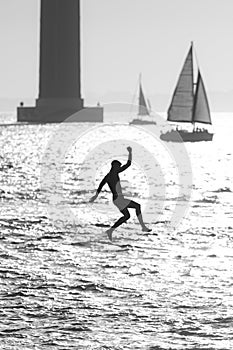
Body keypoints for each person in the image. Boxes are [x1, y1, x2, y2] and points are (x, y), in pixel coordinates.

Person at [89, 146, 151, 241]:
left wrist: (96, 196)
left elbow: (101, 185)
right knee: (137, 206)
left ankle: (110, 231)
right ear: (114, 166)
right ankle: (143, 227)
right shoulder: (112, 174)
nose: (119, 168)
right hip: (119, 199)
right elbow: (128, 164)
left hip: (116, 200)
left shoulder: (110, 175)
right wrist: (130, 152)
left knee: (126, 216)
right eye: (118, 166)